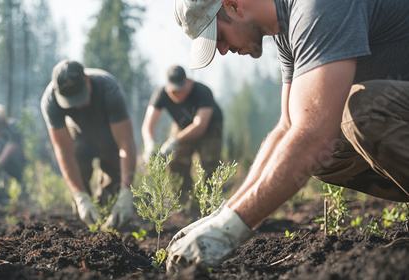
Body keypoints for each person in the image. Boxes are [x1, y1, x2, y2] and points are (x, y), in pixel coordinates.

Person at [166, 0, 409, 273]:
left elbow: (314, 133)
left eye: (220, 36)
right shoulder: (287, 30)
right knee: (326, 157)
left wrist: (229, 229)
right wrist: (223, 215)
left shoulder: (319, 8)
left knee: (359, 111)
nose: (222, 50)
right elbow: (288, 126)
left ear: (234, 5)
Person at [41, 60, 136, 230]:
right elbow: (63, 151)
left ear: (88, 81)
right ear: (57, 91)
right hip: (77, 131)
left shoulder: (109, 89)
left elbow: (125, 144)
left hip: (110, 132)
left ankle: (112, 219)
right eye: (71, 101)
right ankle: (84, 224)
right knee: (77, 158)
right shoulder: (50, 101)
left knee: (113, 183)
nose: (77, 105)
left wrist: (126, 191)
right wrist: (80, 196)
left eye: (80, 97)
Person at [141, 65, 223, 206]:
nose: (176, 94)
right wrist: (149, 144)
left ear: (188, 82)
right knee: (176, 162)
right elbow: (148, 124)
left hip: (209, 127)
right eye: (173, 91)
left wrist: (174, 141)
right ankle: (184, 203)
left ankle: (210, 203)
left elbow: (200, 126)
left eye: (180, 90)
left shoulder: (202, 91)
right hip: (182, 127)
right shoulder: (161, 94)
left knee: (209, 163)